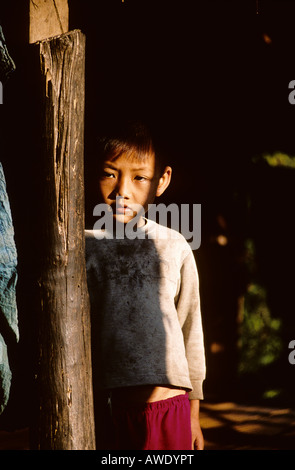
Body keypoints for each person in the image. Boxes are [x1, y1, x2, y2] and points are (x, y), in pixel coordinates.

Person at [85, 120, 206, 450]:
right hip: (105, 406)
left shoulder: (174, 244)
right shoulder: (80, 246)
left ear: (162, 180)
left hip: (170, 406)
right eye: (110, 173)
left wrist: (193, 413)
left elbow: (189, 328)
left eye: (139, 177)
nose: (122, 190)